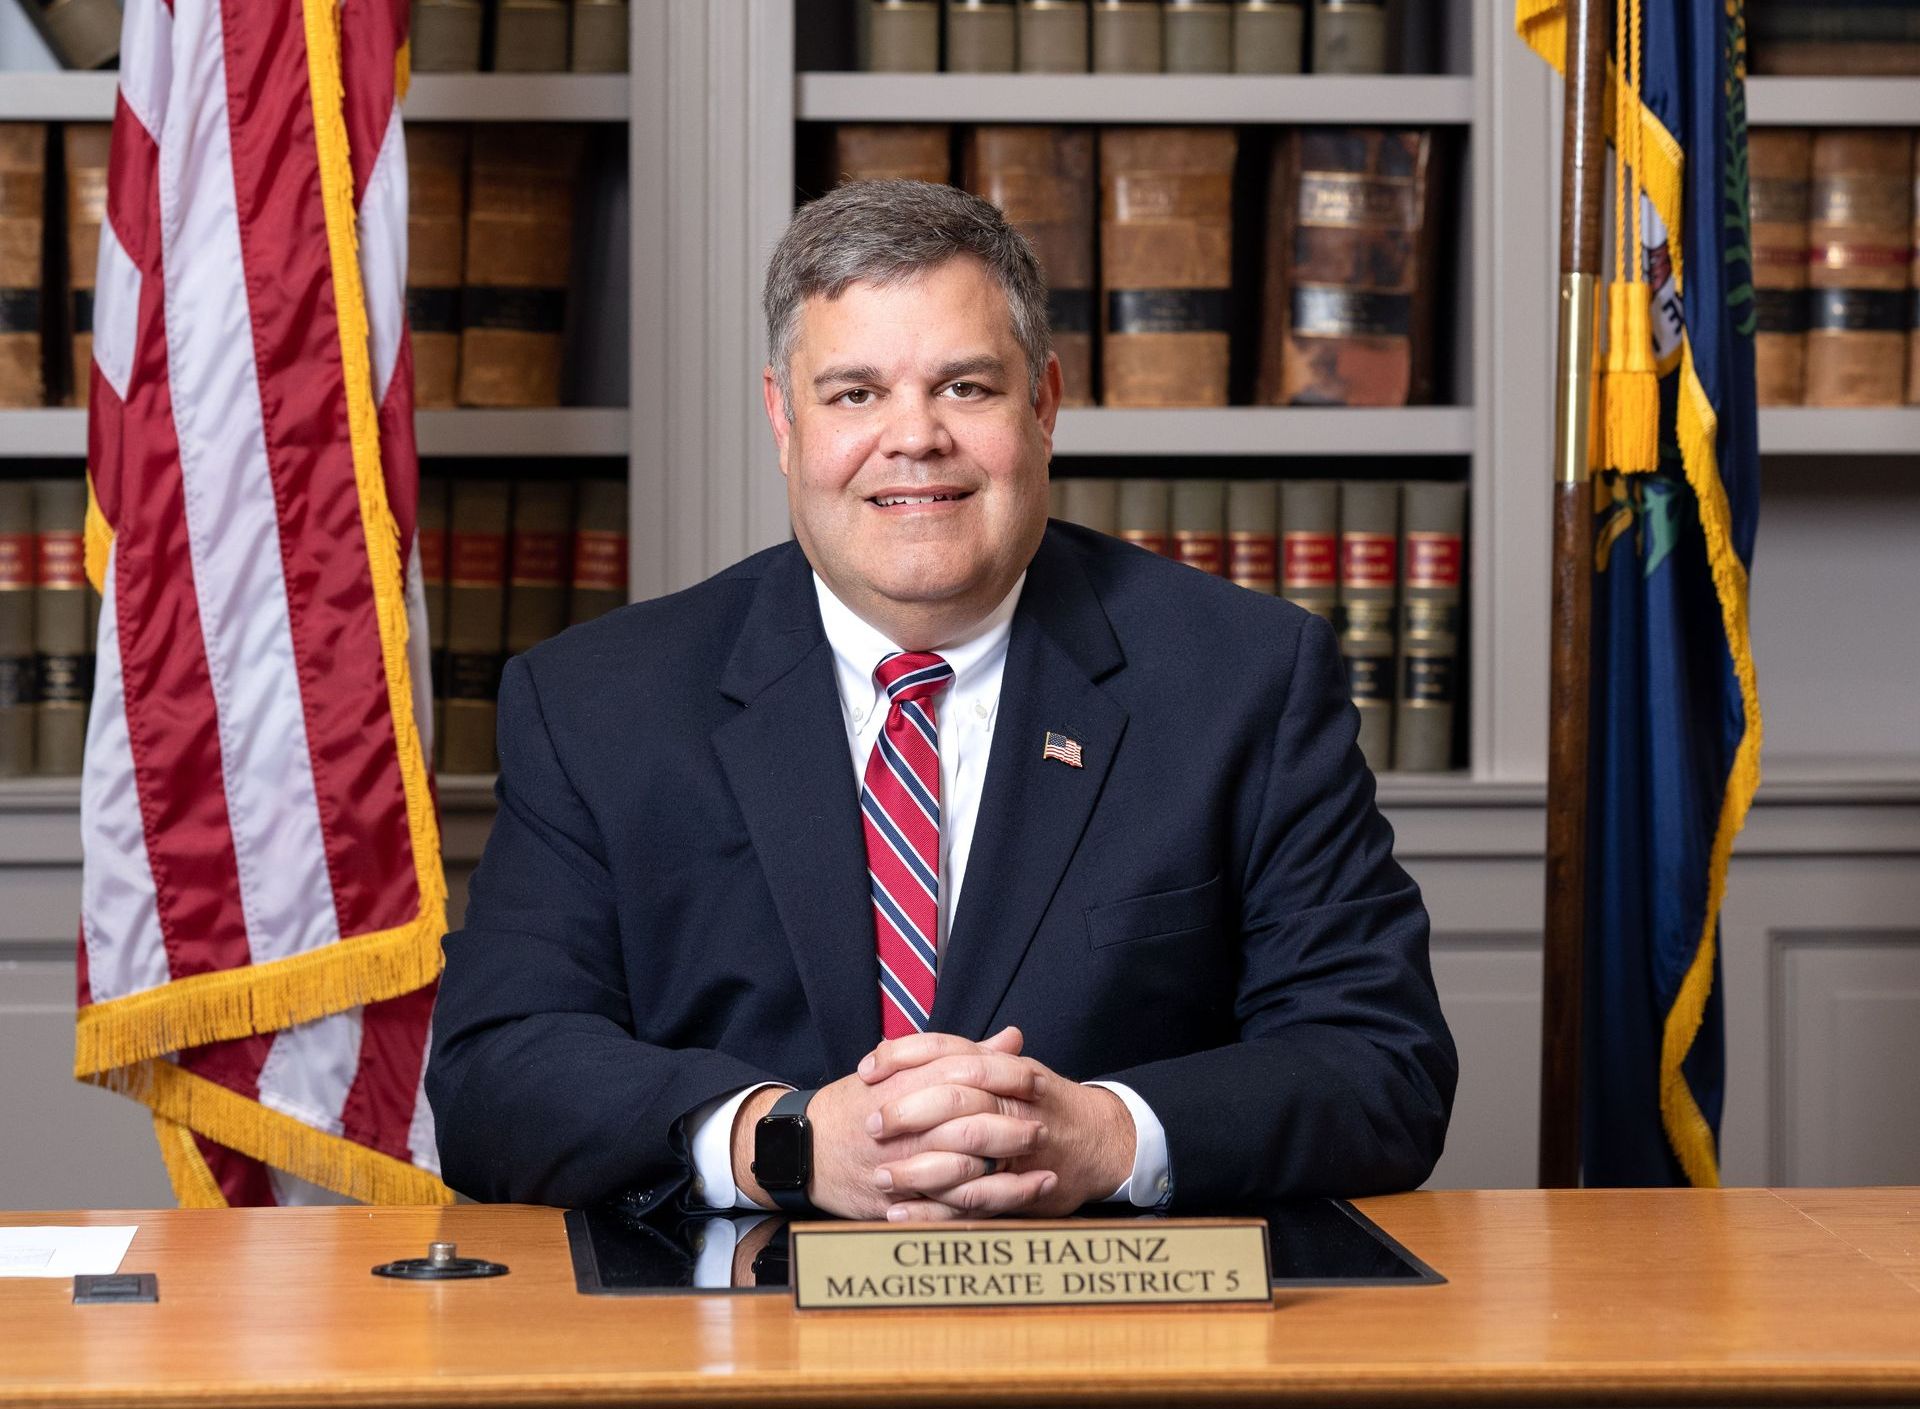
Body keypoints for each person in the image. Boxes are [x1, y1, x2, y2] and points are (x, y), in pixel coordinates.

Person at [427, 180, 1456, 1221]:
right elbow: (494, 1073)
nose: (913, 438)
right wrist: (777, 1142)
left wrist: (1100, 1137)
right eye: (855, 394)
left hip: (1123, 1343)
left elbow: (1379, 1062)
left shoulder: (1245, 679)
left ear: (1044, 404)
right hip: (731, 1345)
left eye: (965, 387)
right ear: (783, 417)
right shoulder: (599, 703)